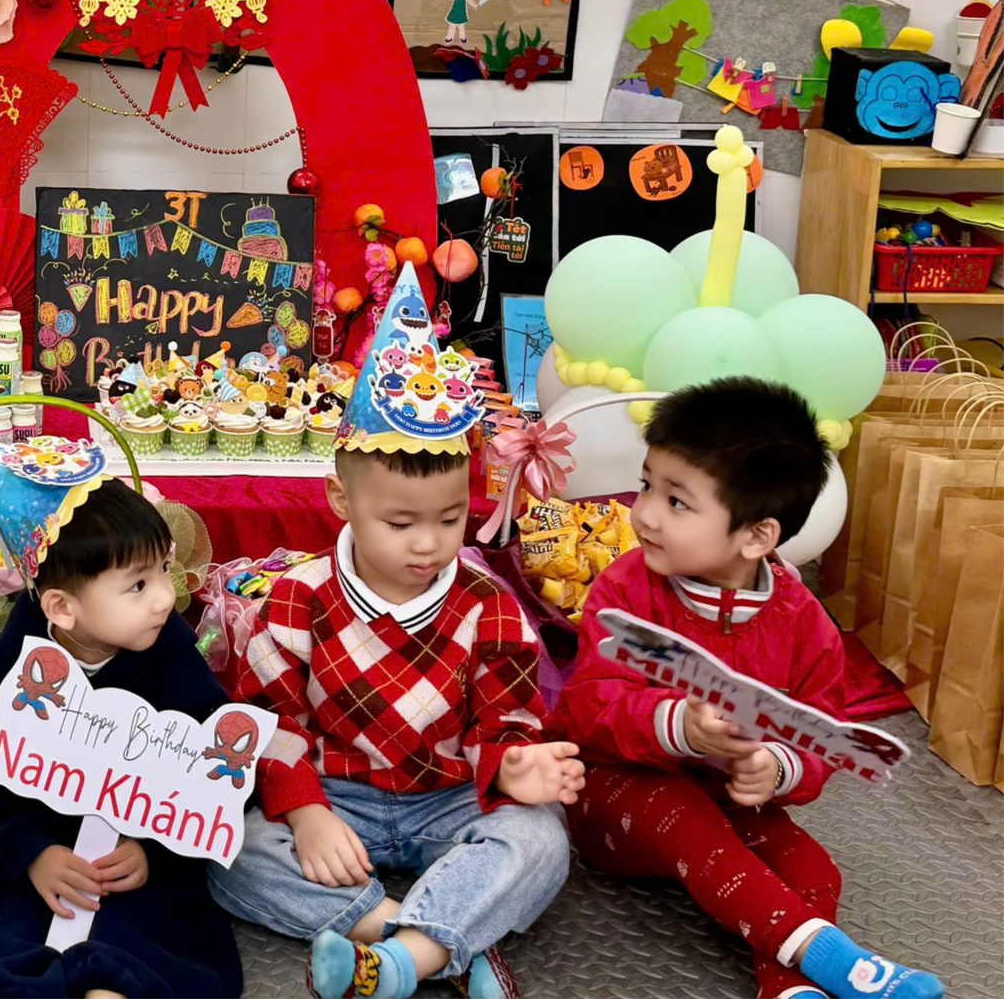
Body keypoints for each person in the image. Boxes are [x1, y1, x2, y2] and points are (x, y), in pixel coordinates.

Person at [211, 263, 578, 999]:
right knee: (228, 847)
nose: (428, 544)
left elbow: (504, 717)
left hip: (447, 798)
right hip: (336, 796)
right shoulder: (297, 598)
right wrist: (306, 813)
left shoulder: (488, 604)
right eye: (400, 522)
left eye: (450, 519)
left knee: (541, 840)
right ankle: (433, 939)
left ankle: (401, 958)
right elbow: (272, 723)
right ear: (340, 498)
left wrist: (511, 764)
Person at [555, 378, 944, 999]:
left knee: (814, 869)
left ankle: (788, 988)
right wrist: (677, 725)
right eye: (647, 483)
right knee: (681, 816)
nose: (645, 512)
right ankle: (835, 960)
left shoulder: (805, 624)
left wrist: (777, 768)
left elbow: (821, 735)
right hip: (617, 793)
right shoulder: (625, 589)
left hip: (733, 803)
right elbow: (586, 706)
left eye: (677, 501)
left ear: (758, 536)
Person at [0, 427, 243, 999]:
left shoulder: (168, 652)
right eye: (137, 585)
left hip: (124, 860)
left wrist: (152, 851)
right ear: (62, 608)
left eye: (162, 571)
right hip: (29, 854)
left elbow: (209, 773)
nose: (165, 597)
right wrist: (30, 854)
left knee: (134, 940)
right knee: (5, 938)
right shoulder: (15, 666)